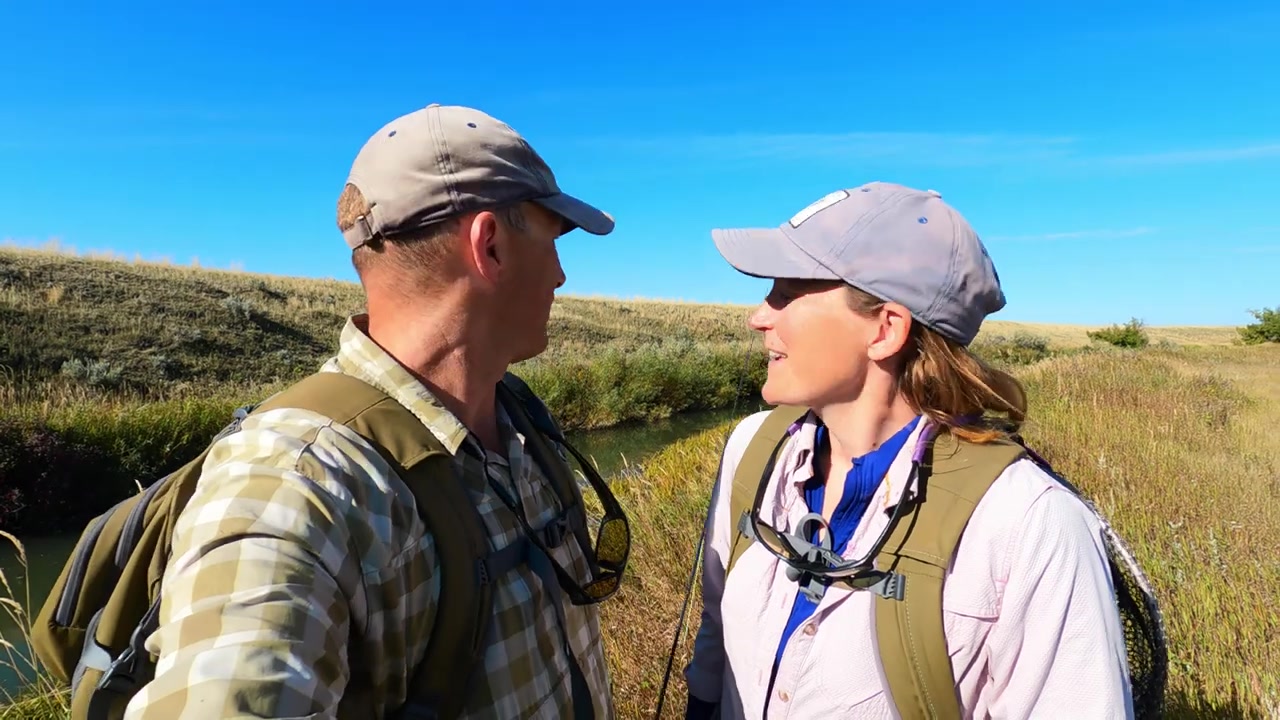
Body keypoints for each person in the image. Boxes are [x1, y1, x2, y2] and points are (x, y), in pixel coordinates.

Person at [122, 104, 620, 719]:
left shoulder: (518, 419)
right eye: (552, 238)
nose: (562, 275)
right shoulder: (296, 481)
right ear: (489, 245)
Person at [682, 182, 1133, 719]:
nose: (759, 316)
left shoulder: (1028, 522)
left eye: (787, 291)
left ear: (885, 329)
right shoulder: (753, 451)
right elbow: (716, 635)